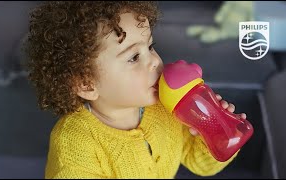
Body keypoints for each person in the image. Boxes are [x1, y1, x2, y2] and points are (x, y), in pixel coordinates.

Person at [24, 1, 247, 178]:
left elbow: (199, 164)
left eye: (150, 46)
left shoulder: (165, 108)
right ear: (86, 84)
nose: (154, 62)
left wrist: (213, 130)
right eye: (133, 57)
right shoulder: (74, 144)